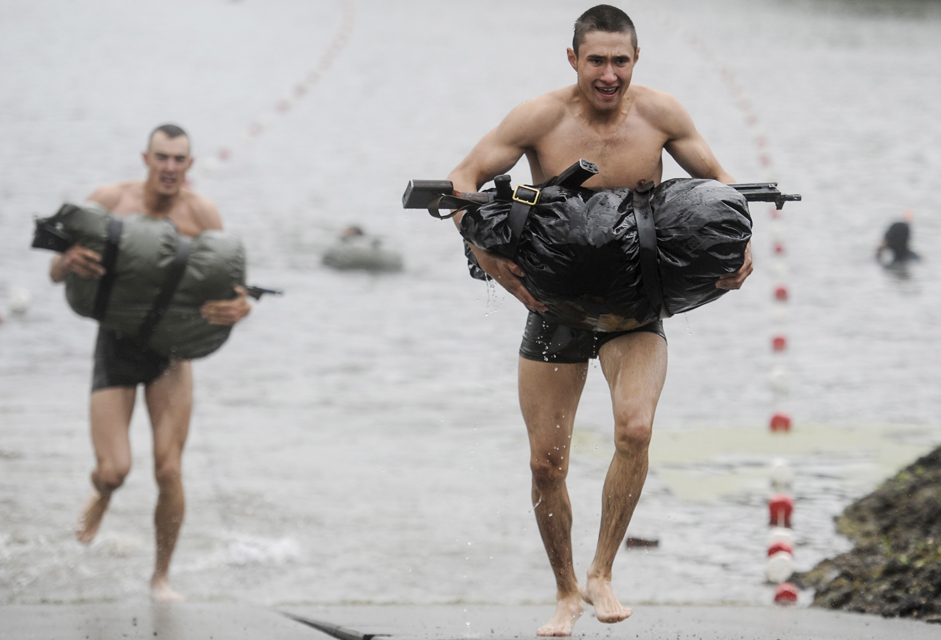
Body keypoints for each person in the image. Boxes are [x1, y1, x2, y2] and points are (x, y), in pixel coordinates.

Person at [447, 6, 752, 636]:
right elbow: (464, 180)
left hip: (634, 306)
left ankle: (602, 572)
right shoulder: (540, 117)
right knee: (545, 463)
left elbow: (722, 182)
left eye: (620, 61)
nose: (608, 74)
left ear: (636, 61)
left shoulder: (662, 114)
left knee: (634, 430)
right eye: (596, 61)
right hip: (553, 304)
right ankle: (564, 592)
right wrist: (484, 250)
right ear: (573, 60)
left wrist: (741, 239)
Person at [49, 124, 251, 601]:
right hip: (116, 342)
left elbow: (226, 289)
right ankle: (101, 493)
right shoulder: (110, 199)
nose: (170, 167)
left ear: (190, 166)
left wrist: (240, 309)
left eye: (179, 159)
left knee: (169, 469)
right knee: (114, 470)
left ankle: (161, 577)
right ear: (146, 159)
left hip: (172, 353)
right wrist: (66, 261)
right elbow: (56, 269)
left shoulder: (201, 214)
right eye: (162, 157)